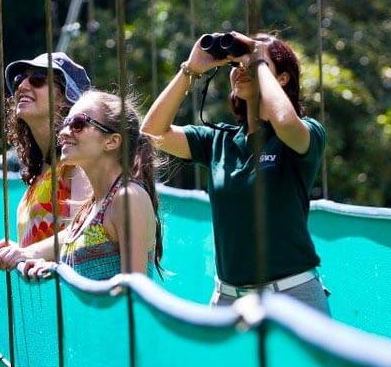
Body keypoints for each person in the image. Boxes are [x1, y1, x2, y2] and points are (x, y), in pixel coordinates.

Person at [140, 31, 330, 313]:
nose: (242, 69)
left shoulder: (306, 133)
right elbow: (152, 132)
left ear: (282, 78)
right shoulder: (219, 141)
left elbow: (285, 123)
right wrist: (190, 69)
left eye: (253, 64)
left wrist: (259, 60)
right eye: (237, 65)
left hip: (293, 296)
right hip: (229, 299)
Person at [0, 90, 162, 280]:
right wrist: (40, 262)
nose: (63, 132)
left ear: (112, 141)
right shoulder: (88, 210)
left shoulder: (128, 197)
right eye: (66, 123)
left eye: (78, 124)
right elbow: (72, 260)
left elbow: (134, 295)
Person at [0, 52, 92, 259]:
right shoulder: (43, 169)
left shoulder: (80, 162)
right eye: (20, 79)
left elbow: (84, 232)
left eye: (37, 79)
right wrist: (18, 247)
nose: (22, 86)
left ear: (66, 100)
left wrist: (26, 251)